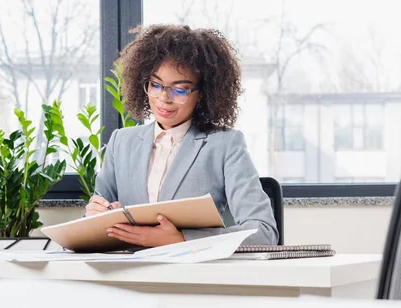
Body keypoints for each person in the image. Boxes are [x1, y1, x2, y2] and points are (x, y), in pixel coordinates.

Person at [86, 24, 278, 247]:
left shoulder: (225, 145)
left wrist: (182, 239)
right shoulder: (122, 142)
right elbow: (94, 227)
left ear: (203, 93)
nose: (163, 98)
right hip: (129, 273)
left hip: (190, 274)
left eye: (179, 90)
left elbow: (264, 233)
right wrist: (95, 216)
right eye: (156, 85)